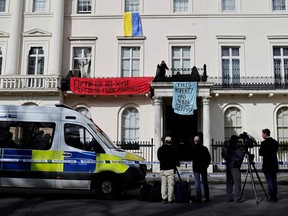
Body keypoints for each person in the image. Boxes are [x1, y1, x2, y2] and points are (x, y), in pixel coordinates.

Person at [221, 135, 244, 203]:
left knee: (229, 182)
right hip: (235, 165)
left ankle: (229, 197)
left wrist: (228, 159)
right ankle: (237, 198)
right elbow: (240, 155)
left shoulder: (226, 145)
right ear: (236, 140)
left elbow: (223, 154)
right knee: (237, 182)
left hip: (228, 164)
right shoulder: (236, 146)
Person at [157, 136, 179, 204]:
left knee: (163, 184)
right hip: (170, 168)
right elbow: (176, 159)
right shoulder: (173, 149)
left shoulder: (160, 149)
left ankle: (164, 198)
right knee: (170, 185)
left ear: (165, 141)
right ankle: (170, 199)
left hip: (163, 168)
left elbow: (159, 158)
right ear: (171, 142)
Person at [259, 128, 279, 202]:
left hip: (267, 164)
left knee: (269, 181)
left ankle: (271, 196)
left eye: (262, 133)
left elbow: (260, 153)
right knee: (274, 180)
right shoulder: (275, 142)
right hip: (274, 163)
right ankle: (275, 196)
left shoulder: (264, 143)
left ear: (265, 134)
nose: (261, 135)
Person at [191, 135, 211, 202]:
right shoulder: (204, 148)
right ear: (200, 141)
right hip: (203, 167)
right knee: (205, 182)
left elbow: (189, 156)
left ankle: (198, 197)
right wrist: (207, 164)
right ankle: (207, 197)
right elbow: (208, 158)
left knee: (197, 182)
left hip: (196, 167)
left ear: (194, 141)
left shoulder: (193, 148)